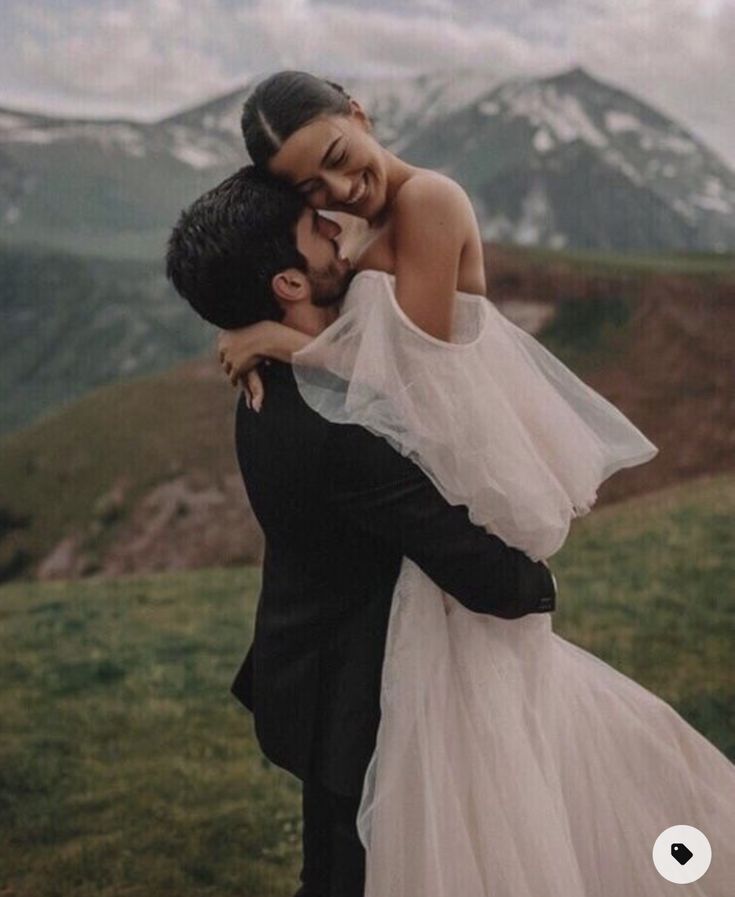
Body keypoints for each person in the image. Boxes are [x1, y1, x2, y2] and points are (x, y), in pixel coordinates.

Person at [215, 72, 735, 896]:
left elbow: (408, 372)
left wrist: (282, 342)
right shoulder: (368, 218)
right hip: (418, 492)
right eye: (312, 189)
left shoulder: (429, 202)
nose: (342, 190)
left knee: (480, 725)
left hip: (456, 479)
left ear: (357, 111)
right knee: (461, 734)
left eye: (342, 160)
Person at [166, 165, 557, 897]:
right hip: (357, 705)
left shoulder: (267, 376)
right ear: (287, 282)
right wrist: (539, 584)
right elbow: (473, 567)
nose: (336, 230)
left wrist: (268, 333)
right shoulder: (334, 428)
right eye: (315, 230)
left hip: (311, 672)